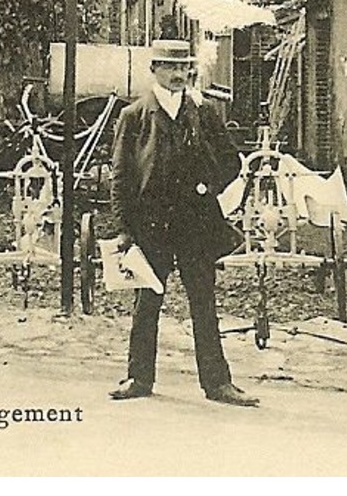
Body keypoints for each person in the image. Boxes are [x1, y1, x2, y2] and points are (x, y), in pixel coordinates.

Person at [110, 39, 259, 408]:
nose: (179, 75)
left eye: (184, 68)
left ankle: (218, 384)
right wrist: (126, 229)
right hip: (152, 226)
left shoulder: (204, 112)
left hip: (195, 223)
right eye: (170, 67)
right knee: (147, 304)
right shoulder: (134, 116)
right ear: (154, 69)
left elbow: (231, 161)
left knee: (204, 304)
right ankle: (138, 377)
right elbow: (121, 176)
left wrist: (209, 184)